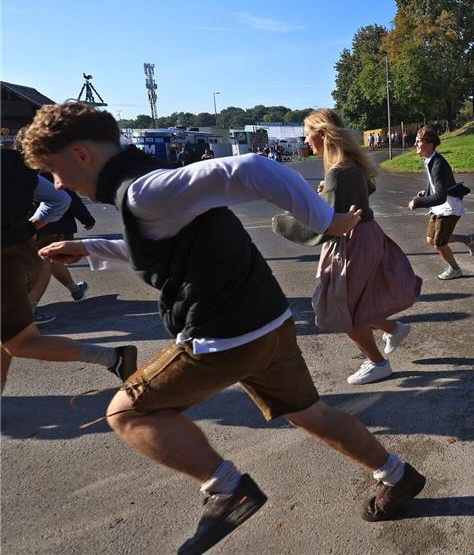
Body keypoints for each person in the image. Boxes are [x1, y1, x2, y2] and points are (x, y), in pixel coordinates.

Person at [22, 103, 426, 553]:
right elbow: (164, 244)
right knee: (310, 412)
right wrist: (91, 248)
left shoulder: (143, 190)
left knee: (127, 413)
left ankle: (226, 488)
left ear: (81, 155)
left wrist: (326, 221)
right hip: (269, 321)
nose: (57, 184)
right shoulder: (148, 184)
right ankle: (397, 475)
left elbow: (254, 168)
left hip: (225, 333)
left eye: (53, 170)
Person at [1, 146, 136, 392]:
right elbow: (59, 199)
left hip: (5, 270)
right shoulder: (15, 165)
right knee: (8, 338)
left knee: (21, 342)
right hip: (21, 255)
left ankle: (114, 358)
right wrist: (32, 227)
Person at [306, 109, 421, 385]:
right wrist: (330, 191)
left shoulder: (336, 171)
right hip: (369, 235)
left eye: (308, 132)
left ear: (322, 134)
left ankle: (377, 363)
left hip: (352, 241)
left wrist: (288, 218)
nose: (306, 138)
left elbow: (324, 223)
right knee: (360, 300)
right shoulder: (351, 164)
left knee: (344, 308)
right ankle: (394, 329)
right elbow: (365, 191)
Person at [408, 127, 474, 280]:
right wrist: (426, 193)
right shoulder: (429, 160)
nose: (415, 144)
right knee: (431, 240)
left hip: (449, 207)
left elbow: (440, 196)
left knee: (439, 243)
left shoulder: (438, 164)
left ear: (430, 144)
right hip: (440, 206)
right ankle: (469, 239)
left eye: (419, 141)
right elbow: (434, 185)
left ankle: (455, 269)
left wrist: (418, 202)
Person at [32, 171, 97, 306]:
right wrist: (88, 221)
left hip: (32, 227)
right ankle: (30, 307)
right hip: (56, 227)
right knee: (47, 260)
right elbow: (71, 199)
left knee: (51, 259)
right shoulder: (51, 175)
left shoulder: (21, 173)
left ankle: (75, 290)